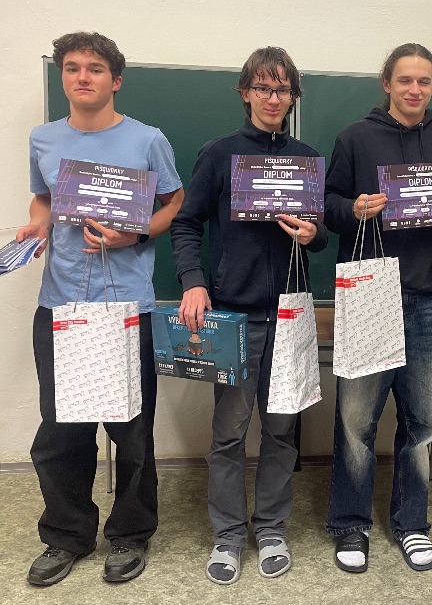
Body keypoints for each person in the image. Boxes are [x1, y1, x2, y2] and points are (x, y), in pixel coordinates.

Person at [21, 32, 184, 586]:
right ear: (62, 77)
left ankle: (130, 534)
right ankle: (66, 535)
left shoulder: (147, 140)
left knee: (131, 430)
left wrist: (131, 234)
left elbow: (174, 202)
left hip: (125, 308)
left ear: (115, 81)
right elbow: (44, 197)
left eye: (94, 68)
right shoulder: (44, 138)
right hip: (61, 305)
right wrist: (37, 224)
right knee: (62, 430)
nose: (82, 77)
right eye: (72, 68)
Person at [323, 43, 432, 573]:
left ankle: (412, 523)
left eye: (424, 81)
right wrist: (354, 208)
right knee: (356, 421)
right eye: (404, 80)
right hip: (368, 293)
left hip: (427, 296)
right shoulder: (355, 137)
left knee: (424, 422)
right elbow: (325, 207)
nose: (414, 90)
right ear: (387, 84)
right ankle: (351, 523)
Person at [171, 46, 328, 585]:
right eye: (263, 87)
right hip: (234, 317)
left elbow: (319, 233)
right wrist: (193, 282)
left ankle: (272, 529)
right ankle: (228, 536)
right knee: (229, 433)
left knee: (282, 432)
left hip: (289, 316)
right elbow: (186, 223)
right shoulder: (219, 154)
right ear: (245, 93)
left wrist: (313, 234)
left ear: (294, 97)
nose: (272, 98)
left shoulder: (306, 159)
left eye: (282, 89)